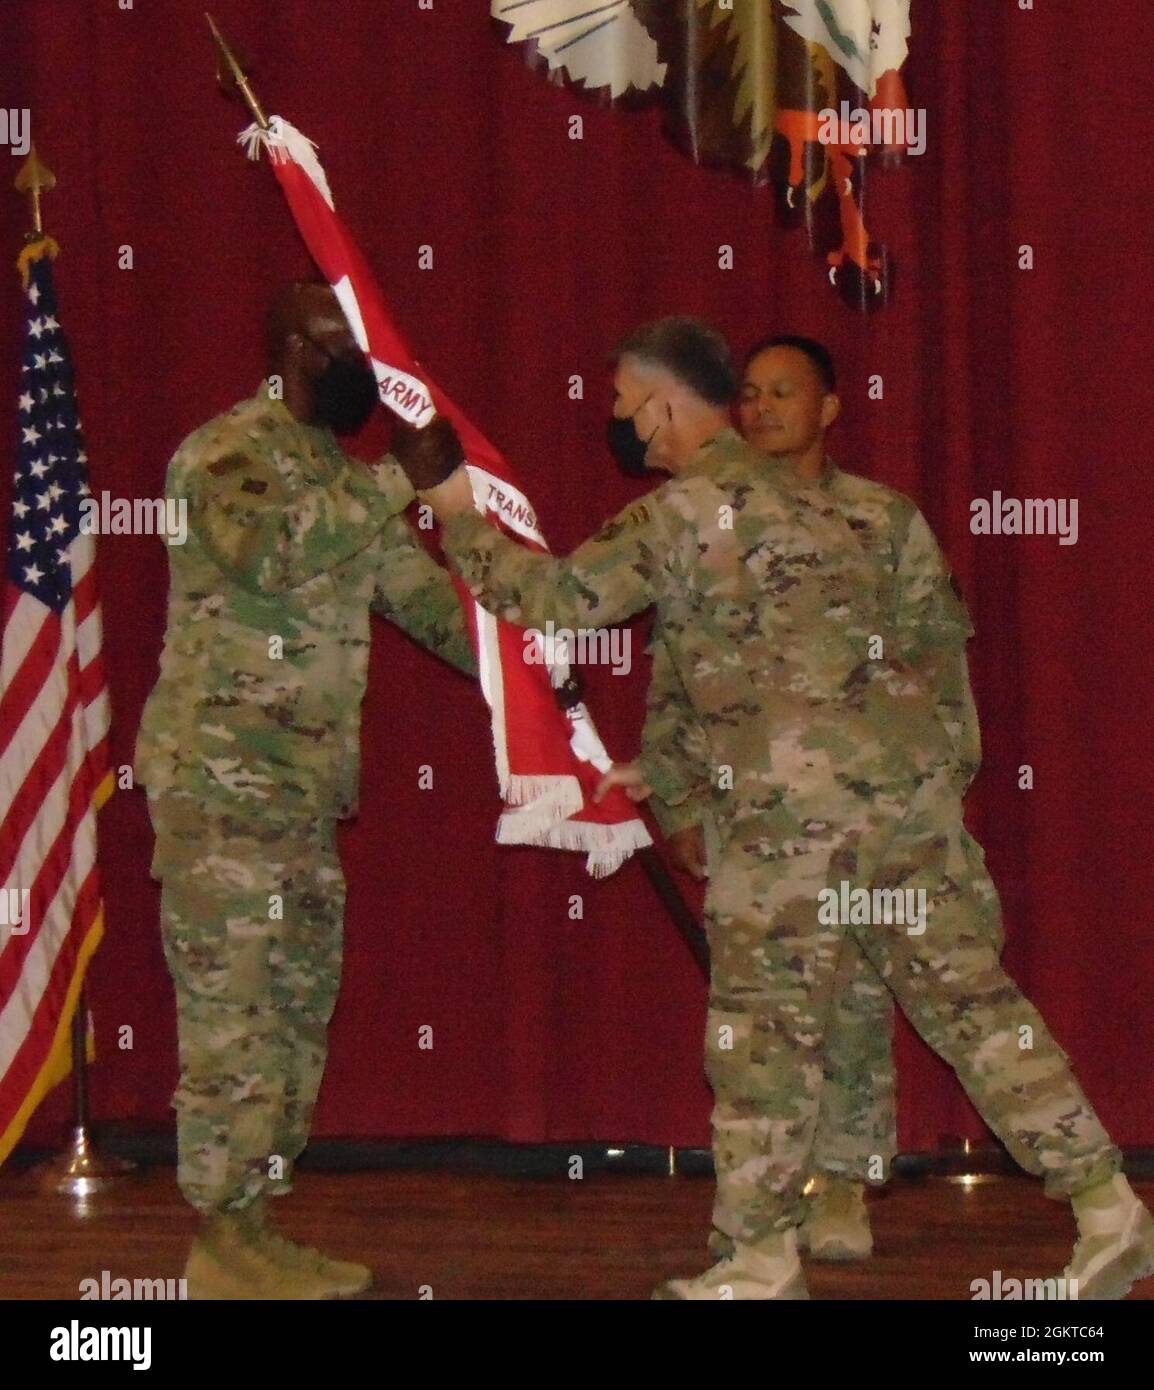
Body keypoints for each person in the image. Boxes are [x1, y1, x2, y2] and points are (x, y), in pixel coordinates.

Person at [393, 316, 1154, 1300]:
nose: (620, 421)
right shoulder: (857, 516)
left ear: (664, 400)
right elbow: (766, 663)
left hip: (786, 836)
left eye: (624, 402)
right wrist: (675, 770)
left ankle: (757, 1259)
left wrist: (453, 511)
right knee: (973, 1012)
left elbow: (557, 600)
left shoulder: (683, 513)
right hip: (900, 824)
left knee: (760, 1042)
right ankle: (1106, 1207)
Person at [134, 282, 476, 1300]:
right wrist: (393, 482)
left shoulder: (335, 471)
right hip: (222, 794)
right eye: (338, 345)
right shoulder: (221, 454)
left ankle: (251, 1227)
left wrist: (524, 660)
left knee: (289, 1019)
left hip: (300, 804)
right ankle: (216, 1240)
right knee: (230, 1025)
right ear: (290, 347)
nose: (357, 367)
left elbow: (422, 604)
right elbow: (268, 551)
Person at [637, 335, 998, 1262]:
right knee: (761, 1015)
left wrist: (940, 786)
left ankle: (839, 1181)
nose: (762, 408)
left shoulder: (882, 522)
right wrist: (677, 798)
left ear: (831, 408)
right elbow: (677, 669)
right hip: (751, 810)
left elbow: (936, 657)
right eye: (749, 393)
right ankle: (762, 1206)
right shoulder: (704, 521)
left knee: (856, 996)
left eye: (784, 392)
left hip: (872, 807)